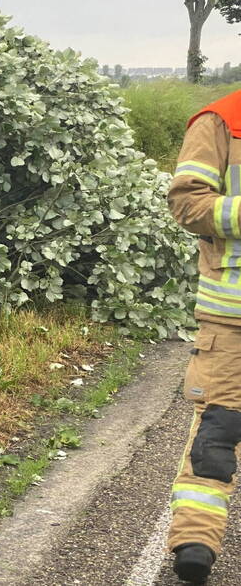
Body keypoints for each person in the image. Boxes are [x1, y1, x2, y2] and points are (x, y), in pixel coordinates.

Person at [167, 89, 241, 583]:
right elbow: (187, 203)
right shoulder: (221, 121)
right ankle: (196, 540)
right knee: (217, 435)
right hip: (232, 321)